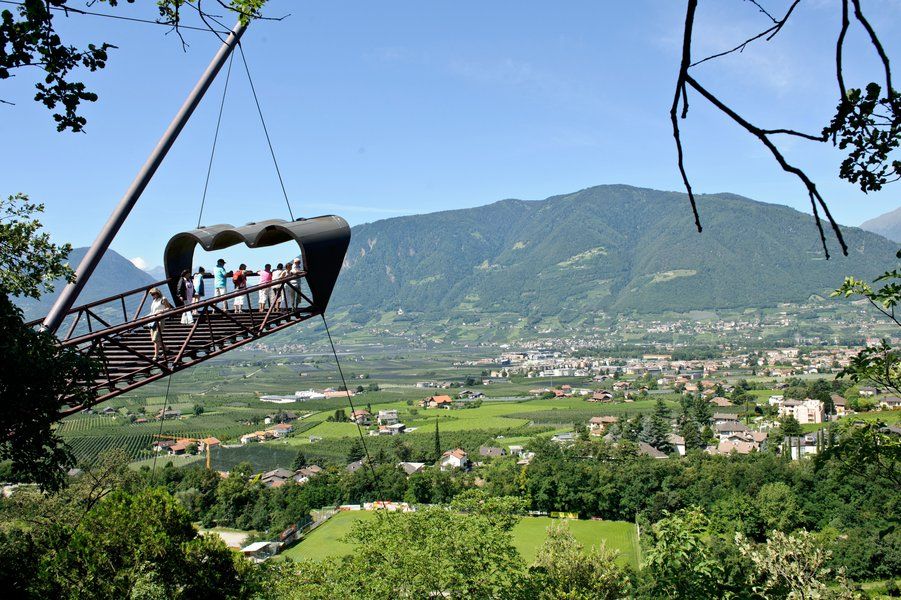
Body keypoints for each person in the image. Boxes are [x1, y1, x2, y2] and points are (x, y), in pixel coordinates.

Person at [147, 287, 173, 360]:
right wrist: (146, 316)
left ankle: (157, 355)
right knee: (155, 339)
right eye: (151, 294)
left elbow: (169, 308)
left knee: (155, 339)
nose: (153, 295)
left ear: (158, 293)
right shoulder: (154, 301)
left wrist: (162, 311)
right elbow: (152, 312)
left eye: (154, 294)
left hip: (160, 320)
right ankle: (166, 349)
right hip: (152, 320)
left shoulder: (163, 299)